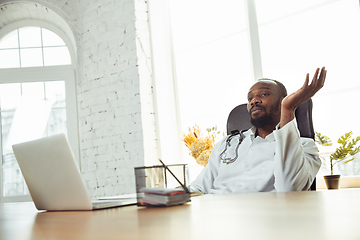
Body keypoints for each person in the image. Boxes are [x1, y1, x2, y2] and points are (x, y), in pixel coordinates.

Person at [189, 67, 327, 194]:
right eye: (250, 98)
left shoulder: (305, 146)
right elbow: (199, 187)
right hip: (215, 212)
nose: (254, 101)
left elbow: (289, 190)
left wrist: (288, 108)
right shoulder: (228, 143)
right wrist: (173, 195)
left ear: (282, 101)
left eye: (264, 94)